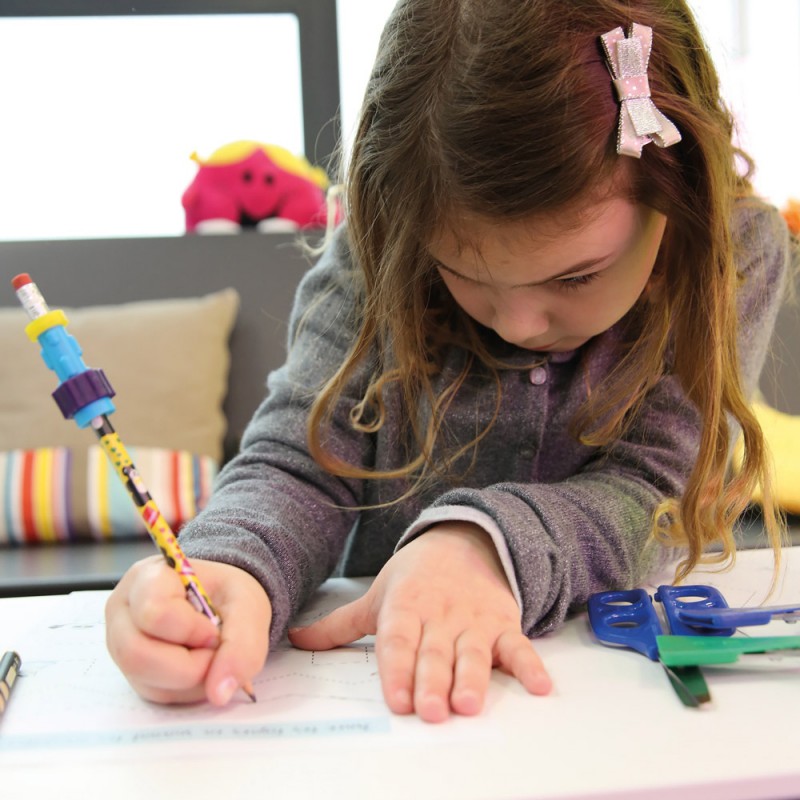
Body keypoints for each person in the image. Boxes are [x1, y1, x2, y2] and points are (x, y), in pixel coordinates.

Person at [105, 0, 795, 723]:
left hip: (618, 709)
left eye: (575, 277)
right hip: (396, 719)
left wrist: (479, 545)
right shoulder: (385, 242)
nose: (520, 324)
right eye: (463, 273)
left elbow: (655, 491)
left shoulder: (731, 253)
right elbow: (299, 462)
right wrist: (230, 566)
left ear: (675, 189)